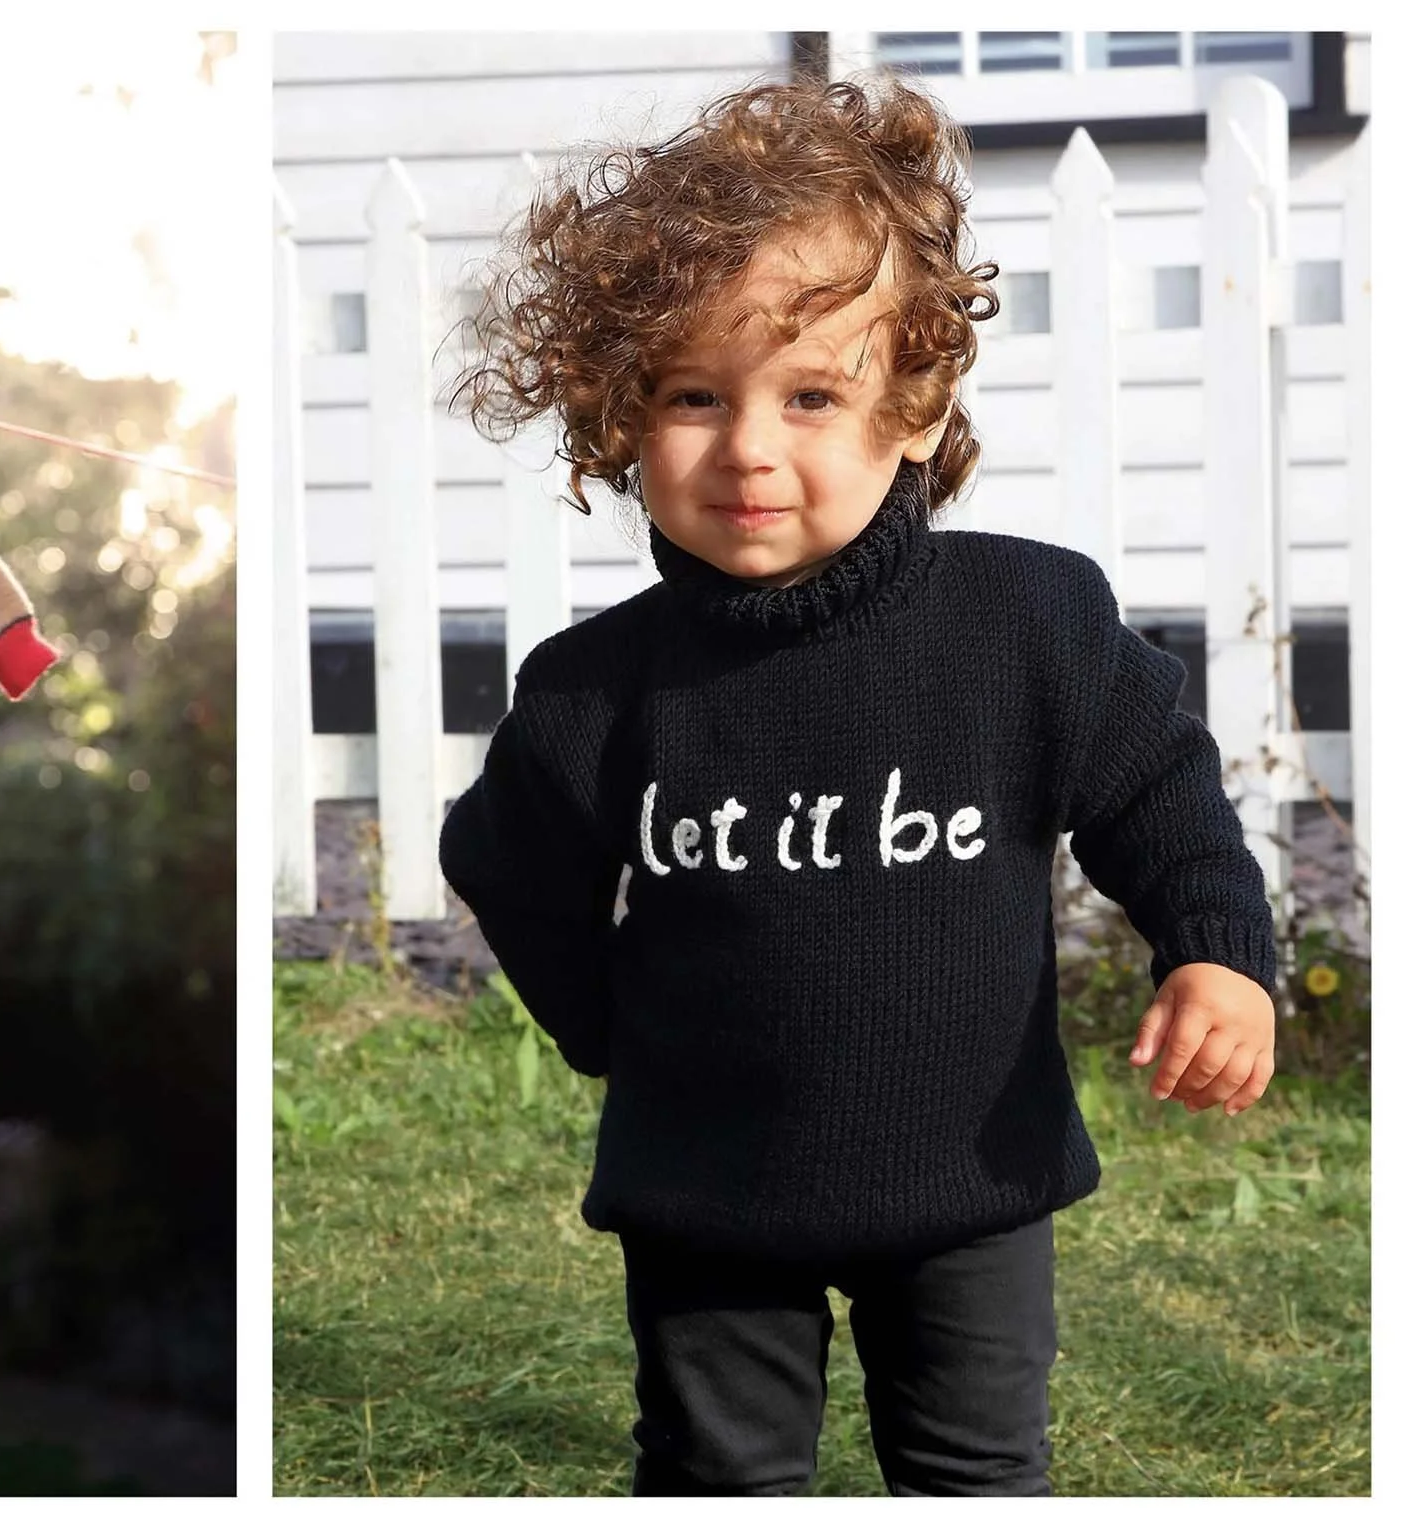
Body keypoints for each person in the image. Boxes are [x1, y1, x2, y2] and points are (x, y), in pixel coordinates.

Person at [440, 73, 1279, 1496]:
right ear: (617, 413)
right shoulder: (599, 686)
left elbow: (1161, 791)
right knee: (719, 1470)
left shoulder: (1026, 625)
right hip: (707, 1191)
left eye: (810, 393)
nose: (750, 446)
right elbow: (505, 858)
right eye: (693, 395)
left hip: (970, 1179)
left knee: (973, 1469)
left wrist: (1219, 954)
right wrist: (610, 1033)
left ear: (911, 400)